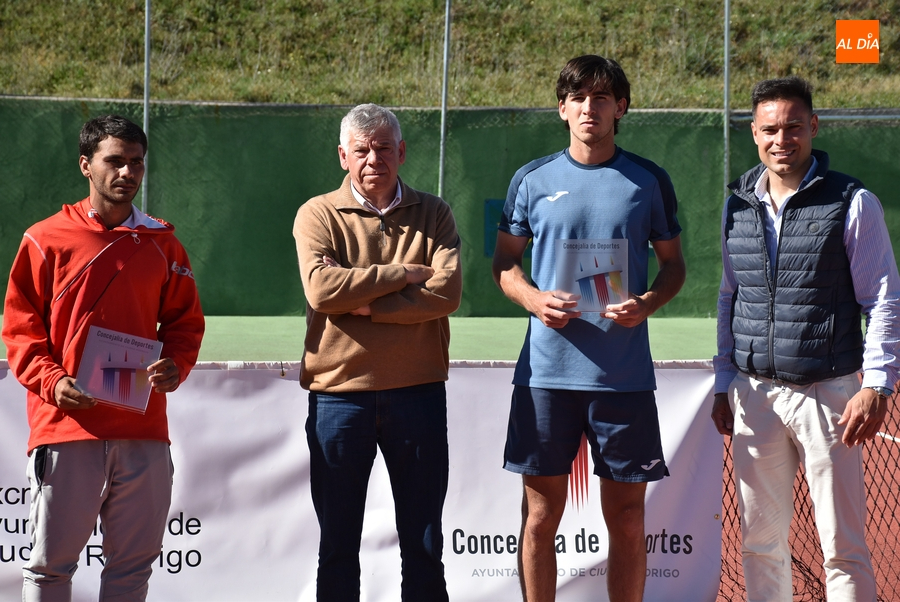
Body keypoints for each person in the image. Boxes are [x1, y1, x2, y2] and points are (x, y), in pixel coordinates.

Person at [492, 55, 685, 602]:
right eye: (577, 98)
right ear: (562, 109)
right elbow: (504, 264)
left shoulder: (648, 181)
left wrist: (646, 303)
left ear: (620, 107)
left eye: (601, 98)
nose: (588, 108)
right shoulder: (531, 179)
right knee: (539, 516)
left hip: (622, 380)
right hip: (547, 377)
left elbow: (674, 266)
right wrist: (533, 298)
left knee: (626, 519)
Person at [711, 76, 900, 601]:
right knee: (759, 543)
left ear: (813, 127)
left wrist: (877, 383)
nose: (782, 139)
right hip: (753, 394)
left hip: (829, 394)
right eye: (770, 128)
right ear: (754, 133)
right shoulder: (737, 205)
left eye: (794, 127)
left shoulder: (853, 202)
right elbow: (731, 297)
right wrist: (726, 378)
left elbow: (883, 297)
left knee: (843, 547)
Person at [2, 115, 205, 601]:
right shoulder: (44, 238)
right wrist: (53, 382)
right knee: (50, 570)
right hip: (68, 426)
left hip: (143, 429)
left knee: (132, 570)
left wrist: (176, 363)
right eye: (114, 161)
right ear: (85, 166)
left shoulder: (163, 243)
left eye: (136, 163)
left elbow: (184, 323)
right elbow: (19, 328)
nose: (127, 173)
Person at [292, 103, 462, 602]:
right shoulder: (317, 213)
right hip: (339, 399)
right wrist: (403, 274)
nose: (373, 159)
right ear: (343, 155)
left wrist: (367, 306)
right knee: (339, 544)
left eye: (384, 148)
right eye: (362, 149)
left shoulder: (435, 213)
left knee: (425, 541)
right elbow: (322, 291)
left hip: (419, 394)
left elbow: (446, 294)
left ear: (402, 152)